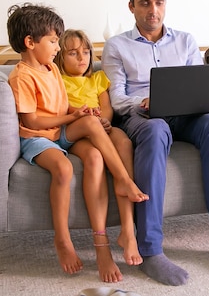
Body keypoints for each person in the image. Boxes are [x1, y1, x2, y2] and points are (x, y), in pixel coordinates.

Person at [102, 0, 209, 286]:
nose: (153, 9)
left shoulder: (185, 41)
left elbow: (200, 85)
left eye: (158, 2)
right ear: (131, 7)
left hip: (187, 114)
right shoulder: (116, 46)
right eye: (144, 3)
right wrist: (144, 101)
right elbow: (116, 98)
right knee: (155, 130)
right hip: (143, 116)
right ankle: (151, 250)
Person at [5, 3, 148, 278]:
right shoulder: (21, 75)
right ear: (30, 42)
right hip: (38, 138)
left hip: (59, 132)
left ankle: (103, 241)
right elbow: (32, 121)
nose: (56, 48)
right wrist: (72, 119)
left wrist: (77, 112)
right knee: (65, 168)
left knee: (95, 151)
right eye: (53, 41)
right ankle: (63, 239)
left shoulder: (51, 69)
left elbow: (60, 108)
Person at [55, 29, 142, 282]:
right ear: (60, 56)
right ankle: (101, 245)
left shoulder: (98, 78)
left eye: (85, 52)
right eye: (73, 53)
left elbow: (106, 107)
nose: (81, 58)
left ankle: (127, 230)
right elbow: (59, 106)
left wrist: (104, 119)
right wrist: (83, 114)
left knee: (124, 143)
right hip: (75, 132)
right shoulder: (57, 79)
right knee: (94, 157)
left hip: (99, 127)